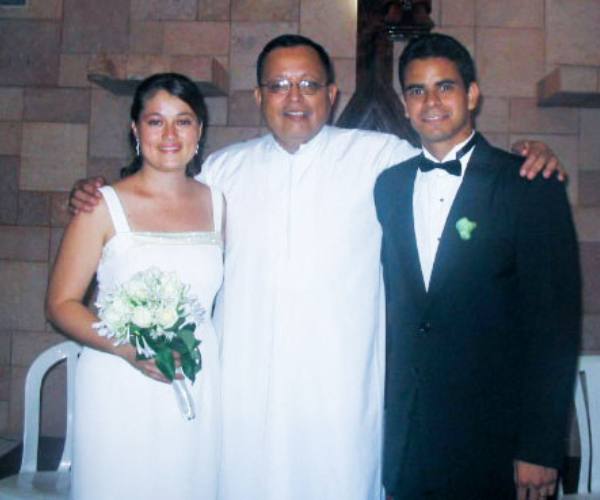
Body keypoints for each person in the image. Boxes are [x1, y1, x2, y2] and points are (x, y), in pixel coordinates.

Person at [68, 35, 563, 500]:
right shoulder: (222, 170)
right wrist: (97, 194)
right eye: (279, 85)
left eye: (308, 84)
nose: (294, 97)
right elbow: (160, 210)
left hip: (341, 395)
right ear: (259, 96)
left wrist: (531, 156)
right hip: (244, 392)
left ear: (332, 93)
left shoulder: (382, 159)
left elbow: (455, 164)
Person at [374, 33, 581, 500]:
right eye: (416, 90)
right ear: (404, 104)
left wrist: (541, 447)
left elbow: (555, 327)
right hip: (409, 440)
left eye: (444, 87)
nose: (430, 102)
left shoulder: (529, 183)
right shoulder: (388, 186)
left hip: (497, 442)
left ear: (472, 94)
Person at [46, 73, 223, 500]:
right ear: (135, 129)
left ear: (199, 129)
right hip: (117, 377)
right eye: (155, 121)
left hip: (196, 375)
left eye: (183, 121)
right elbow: (61, 304)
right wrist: (130, 350)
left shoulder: (218, 201)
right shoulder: (101, 206)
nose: (169, 134)